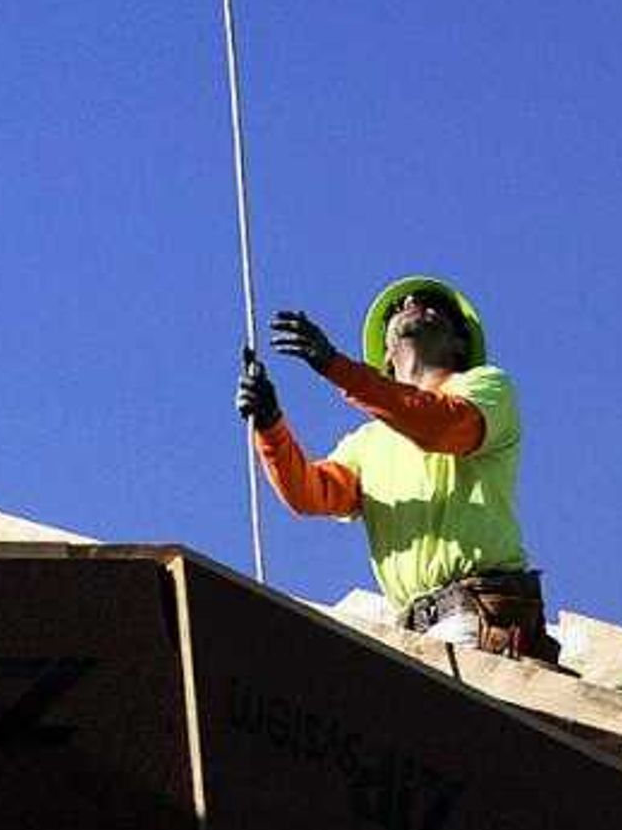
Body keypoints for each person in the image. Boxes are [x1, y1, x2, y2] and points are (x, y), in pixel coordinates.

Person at [233, 276, 559, 666]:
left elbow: (441, 425)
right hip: (413, 634)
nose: (410, 301)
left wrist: (337, 367)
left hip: (476, 614)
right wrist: (270, 425)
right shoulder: (368, 443)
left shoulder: (486, 386)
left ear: (459, 343)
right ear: (386, 356)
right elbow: (309, 492)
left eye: (431, 303)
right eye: (398, 306)